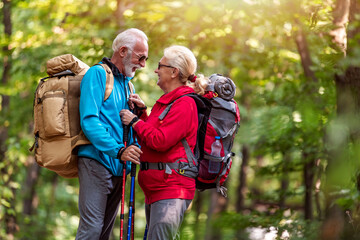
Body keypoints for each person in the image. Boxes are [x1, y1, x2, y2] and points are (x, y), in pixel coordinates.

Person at [120, 45, 208, 239]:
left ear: (174, 72)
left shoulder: (185, 104)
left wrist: (134, 122)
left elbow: (160, 141)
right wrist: (143, 114)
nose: (156, 70)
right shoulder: (169, 101)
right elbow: (154, 135)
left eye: (160, 65)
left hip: (172, 189)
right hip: (159, 189)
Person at [76, 28, 148, 240]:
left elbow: (127, 128)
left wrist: (141, 112)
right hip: (96, 161)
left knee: (105, 233)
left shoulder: (128, 85)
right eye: (140, 57)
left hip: (120, 167)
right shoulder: (97, 74)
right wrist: (119, 151)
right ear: (123, 51)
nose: (143, 64)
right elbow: (89, 121)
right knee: (92, 230)